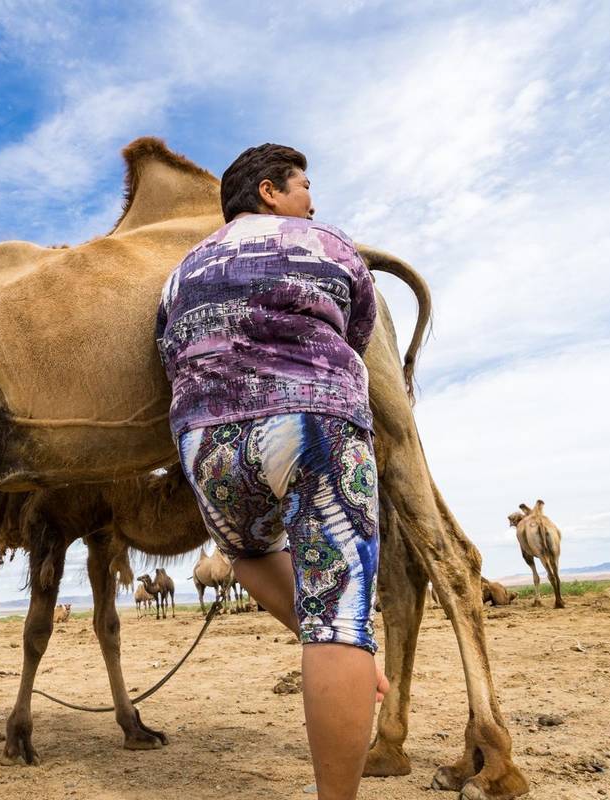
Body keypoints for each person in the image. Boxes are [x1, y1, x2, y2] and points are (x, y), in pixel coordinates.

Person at [155, 143, 386, 800]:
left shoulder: (179, 273)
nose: (312, 199)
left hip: (205, 444)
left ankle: (334, 641)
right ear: (268, 192)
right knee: (342, 616)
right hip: (310, 419)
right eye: (303, 185)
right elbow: (357, 329)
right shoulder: (323, 244)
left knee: (243, 551)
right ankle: (340, 643)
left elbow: (166, 345)